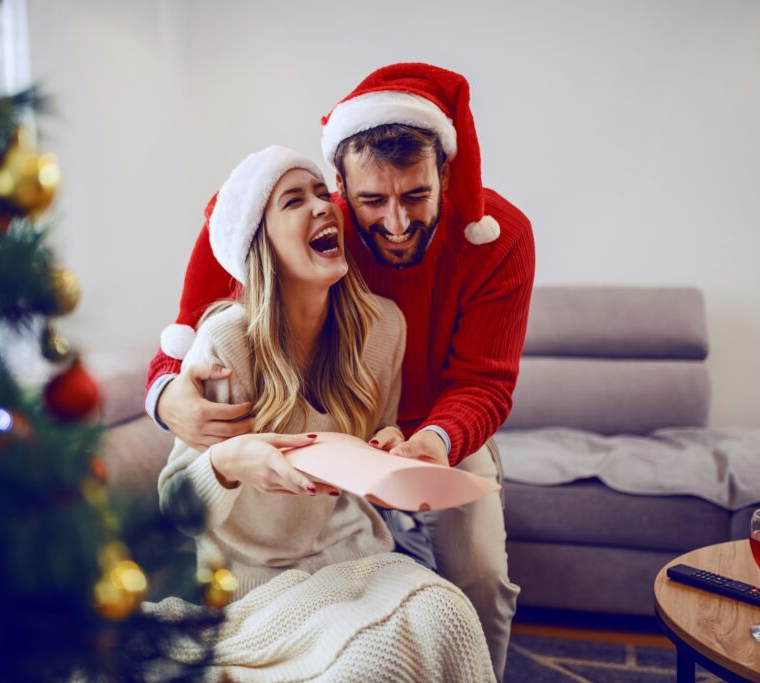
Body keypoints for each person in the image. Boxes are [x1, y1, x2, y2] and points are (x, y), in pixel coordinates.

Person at [146, 63, 535, 681]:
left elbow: (484, 382)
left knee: (480, 578)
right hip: (284, 515)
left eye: (416, 196)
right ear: (342, 186)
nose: (396, 223)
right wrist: (167, 395)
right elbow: (190, 331)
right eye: (372, 200)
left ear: (446, 175)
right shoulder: (307, 220)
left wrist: (430, 441)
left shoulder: (494, 240)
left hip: (434, 426)